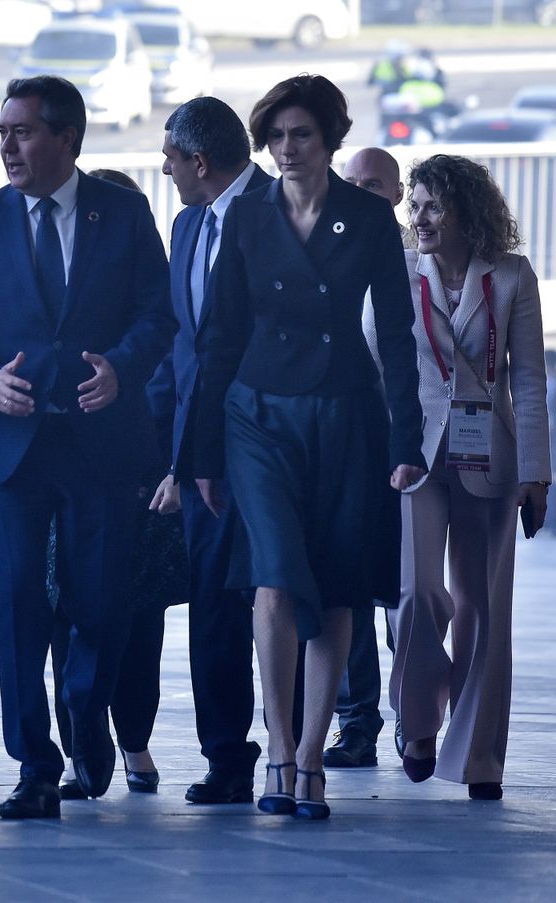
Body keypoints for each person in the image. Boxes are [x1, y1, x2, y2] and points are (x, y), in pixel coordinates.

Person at [0, 76, 174, 820]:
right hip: (9, 446)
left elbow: (158, 315)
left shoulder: (124, 212)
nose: (6, 146)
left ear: (67, 139)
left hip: (101, 441)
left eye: (23, 132)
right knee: (15, 606)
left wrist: (123, 367)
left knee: (101, 601)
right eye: (2, 132)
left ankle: (82, 715)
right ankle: (34, 763)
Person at [190, 74, 426, 821]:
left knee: (338, 583)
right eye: (278, 136)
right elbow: (218, 334)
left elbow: (396, 335)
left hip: (345, 413)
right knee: (273, 579)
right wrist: (199, 453)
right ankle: (280, 747)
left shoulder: (367, 216)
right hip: (257, 413)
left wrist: (407, 440)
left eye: (302, 135)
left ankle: (316, 760)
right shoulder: (247, 217)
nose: (287, 149)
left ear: (330, 141)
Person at [384, 154, 549, 801]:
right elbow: (381, 353)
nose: (419, 218)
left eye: (432, 206)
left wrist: (536, 473)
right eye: (415, 206)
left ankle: (479, 755)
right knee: (419, 591)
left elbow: (530, 380)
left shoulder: (511, 277)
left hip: (493, 458)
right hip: (419, 456)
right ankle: (420, 719)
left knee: (484, 605)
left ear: (465, 213)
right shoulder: (399, 273)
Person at [49, 166, 187, 801]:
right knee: (64, 614)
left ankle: (133, 740)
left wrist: (169, 469)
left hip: (144, 481)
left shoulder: (158, 307)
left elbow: (178, 386)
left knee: (138, 621)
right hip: (68, 478)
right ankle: (80, 746)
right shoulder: (72, 300)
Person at [153, 96, 272, 805]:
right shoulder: (187, 222)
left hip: (271, 443)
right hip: (200, 455)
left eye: (170, 156)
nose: (164, 168)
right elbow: (184, 344)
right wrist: (175, 454)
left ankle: (292, 745)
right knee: (214, 609)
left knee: (283, 599)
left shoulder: (283, 210)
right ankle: (227, 753)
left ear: (199, 161)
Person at [317, 145, 406, 772]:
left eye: (373, 184)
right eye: (351, 182)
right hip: (345, 437)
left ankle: (417, 715)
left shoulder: (415, 260)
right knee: (345, 582)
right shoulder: (325, 252)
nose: (359, 192)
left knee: (406, 592)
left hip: (405, 442)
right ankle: (357, 720)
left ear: (397, 195)